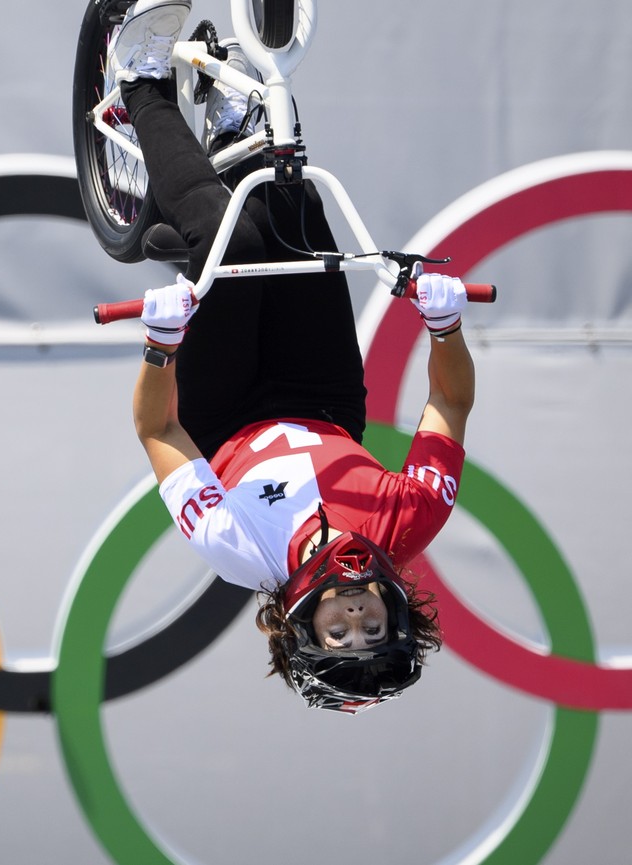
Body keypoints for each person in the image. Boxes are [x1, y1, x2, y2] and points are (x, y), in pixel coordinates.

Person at [110, 0, 476, 712]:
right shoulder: (413, 522)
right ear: (397, 610)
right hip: (323, 397)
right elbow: (450, 402)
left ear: (301, 622)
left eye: (341, 630)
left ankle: (139, 83)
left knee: (233, 244)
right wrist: (445, 324)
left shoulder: (239, 550)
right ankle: (230, 129)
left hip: (228, 409)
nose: (355, 611)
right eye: (373, 623)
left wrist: (160, 348)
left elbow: (158, 431)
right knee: (297, 203)